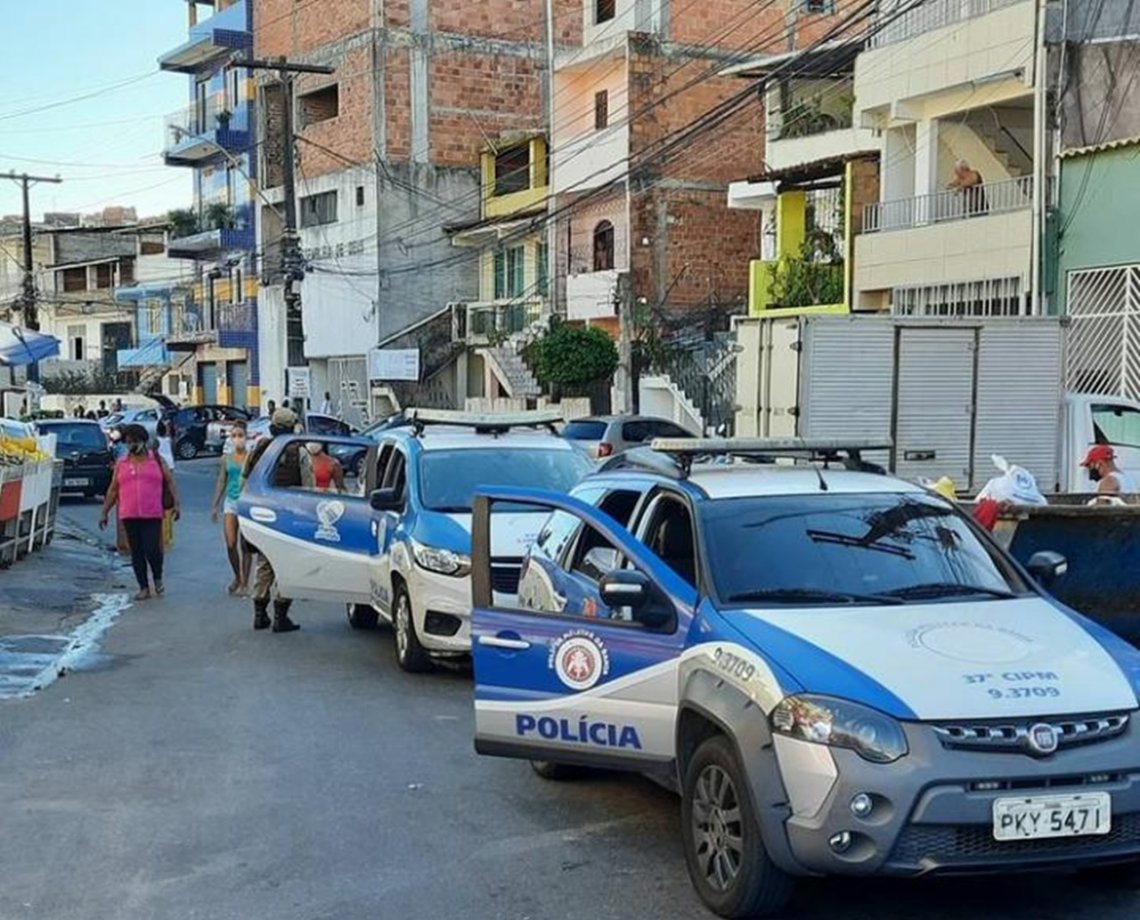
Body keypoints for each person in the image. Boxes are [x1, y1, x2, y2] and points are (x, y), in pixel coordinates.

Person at [99, 424, 181, 601]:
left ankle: (157, 576)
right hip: (129, 514)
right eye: (128, 442)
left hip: (152, 513)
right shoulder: (122, 464)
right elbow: (113, 489)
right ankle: (143, 587)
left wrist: (176, 503)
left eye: (134, 442)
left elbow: (170, 481)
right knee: (136, 551)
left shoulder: (157, 461)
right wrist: (105, 512)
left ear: (143, 441)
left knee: (152, 549)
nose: (131, 445)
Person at [242, 407, 302, 633]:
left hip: (262, 514)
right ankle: (280, 616)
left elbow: (245, 479)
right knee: (287, 564)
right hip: (289, 516)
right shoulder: (299, 451)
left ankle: (259, 614)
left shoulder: (259, 448)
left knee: (264, 563)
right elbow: (309, 486)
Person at [212, 420, 252, 594]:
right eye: (234, 436)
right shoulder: (226, 459)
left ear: (246, 436)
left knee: (245, 545)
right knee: (230, 543)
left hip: (247, 503)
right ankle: (237, 576)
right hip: (231, 502)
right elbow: (222, 480)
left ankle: (244, 582)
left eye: (240, 435)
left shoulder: (251, 457)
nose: (237, 439)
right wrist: (215, 505)